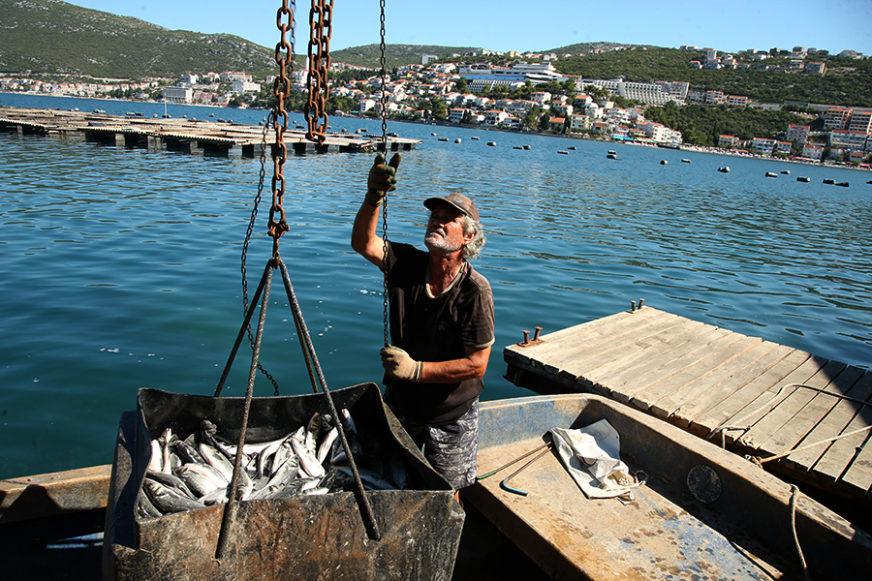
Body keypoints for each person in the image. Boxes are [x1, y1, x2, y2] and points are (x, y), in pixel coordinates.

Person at [351, 153, 494, 490]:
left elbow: (477, 365)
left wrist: (416, 370)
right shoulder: (407, 263)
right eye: (434, 216)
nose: (437, 221)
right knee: (390, 478)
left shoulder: (475, 291)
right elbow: (363, 243)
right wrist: (373, 197)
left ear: (468, 237)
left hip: (450, 417)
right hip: (402, 404)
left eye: (449, 219)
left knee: (448, 491)